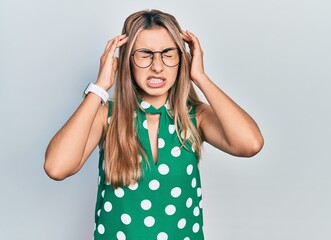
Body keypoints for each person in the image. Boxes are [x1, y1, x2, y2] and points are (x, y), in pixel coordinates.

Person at [44, 9, 264, 240]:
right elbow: (56, 168)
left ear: (182, 58)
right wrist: (100, 86)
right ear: (127, 60)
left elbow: (251, 144)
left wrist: (199, 76)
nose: (157, 66)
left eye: (168, 53)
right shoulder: (106, 116)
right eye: (145, 54)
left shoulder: (194, 117)